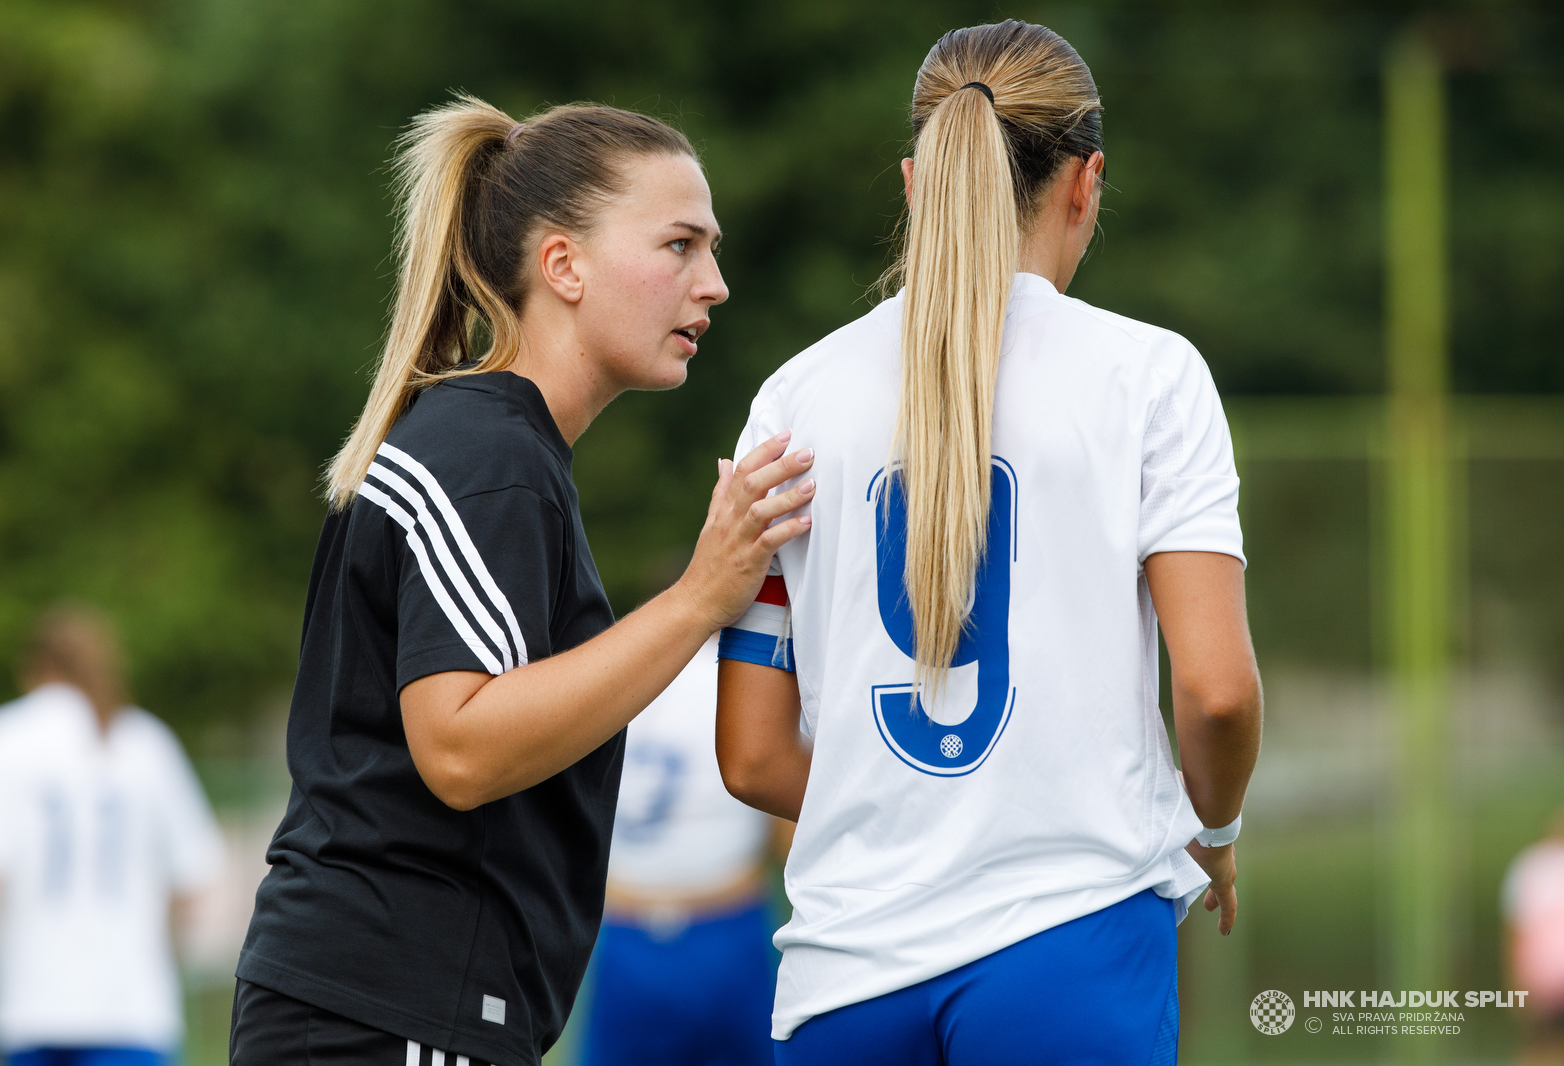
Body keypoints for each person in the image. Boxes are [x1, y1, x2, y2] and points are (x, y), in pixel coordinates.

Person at [714, 21, 1262, 1065]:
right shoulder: (1150, 376)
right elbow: (1219, 691)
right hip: (1072, 940)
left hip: (844, 970)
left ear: (918, 181)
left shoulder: (791, 399)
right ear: (1087, 181)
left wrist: (912, 799)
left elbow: (749, 754)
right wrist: (1215, 832)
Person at [229, 96, 814, 1066]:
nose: (713, 283)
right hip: (389, 1004)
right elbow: (459, 745)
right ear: (563, 265)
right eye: (679, 244)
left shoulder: (500, 451)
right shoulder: (487, 455)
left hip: (393, 1007)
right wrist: (698, 599)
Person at [0, 604, 225, 1066]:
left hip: (29, 1007)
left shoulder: (1, 739)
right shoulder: (147, 743)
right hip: (132, 1009)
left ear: (34, 666)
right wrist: (161, 956)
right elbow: (194, 878)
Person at [582, 633, 791, 1066]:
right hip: (725, 932)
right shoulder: (745, 684)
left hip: (624, 938)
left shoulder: (613, 682)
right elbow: (788, 834)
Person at [1503, 809, 1564, 1066]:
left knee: (1539, 1046)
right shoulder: (1531, 866)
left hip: (1541, 977)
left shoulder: (1528, 865)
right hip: (1547, 974)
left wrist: (1514, 983)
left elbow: (1516, 929)